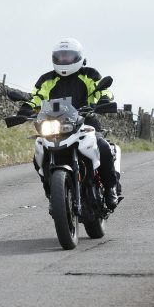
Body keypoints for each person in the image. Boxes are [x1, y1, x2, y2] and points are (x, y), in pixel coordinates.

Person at [17, 38, 119, 209]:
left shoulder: (90, 74)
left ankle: (110, 189)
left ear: (78, 57)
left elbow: (104, 90)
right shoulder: (46, 79)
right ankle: (51, 192)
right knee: (39, 155)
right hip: (55, 125)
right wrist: (25, 108)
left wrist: (101, 100)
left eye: (68, 56)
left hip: (86, 121)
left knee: (103, 147)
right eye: (61, 56)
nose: (64, 60)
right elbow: (37, 97)